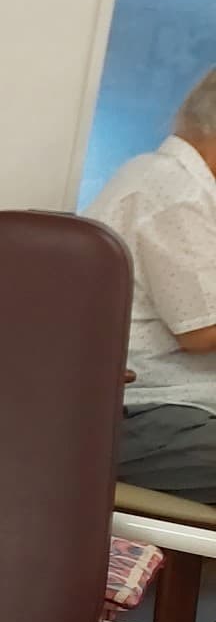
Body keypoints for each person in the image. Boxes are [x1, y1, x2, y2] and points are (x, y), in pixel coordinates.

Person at [88, 68, 216, 503]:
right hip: (144, 411)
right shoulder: (173, 191)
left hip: (177, 407)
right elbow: (202, 331)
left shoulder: (179, 185)